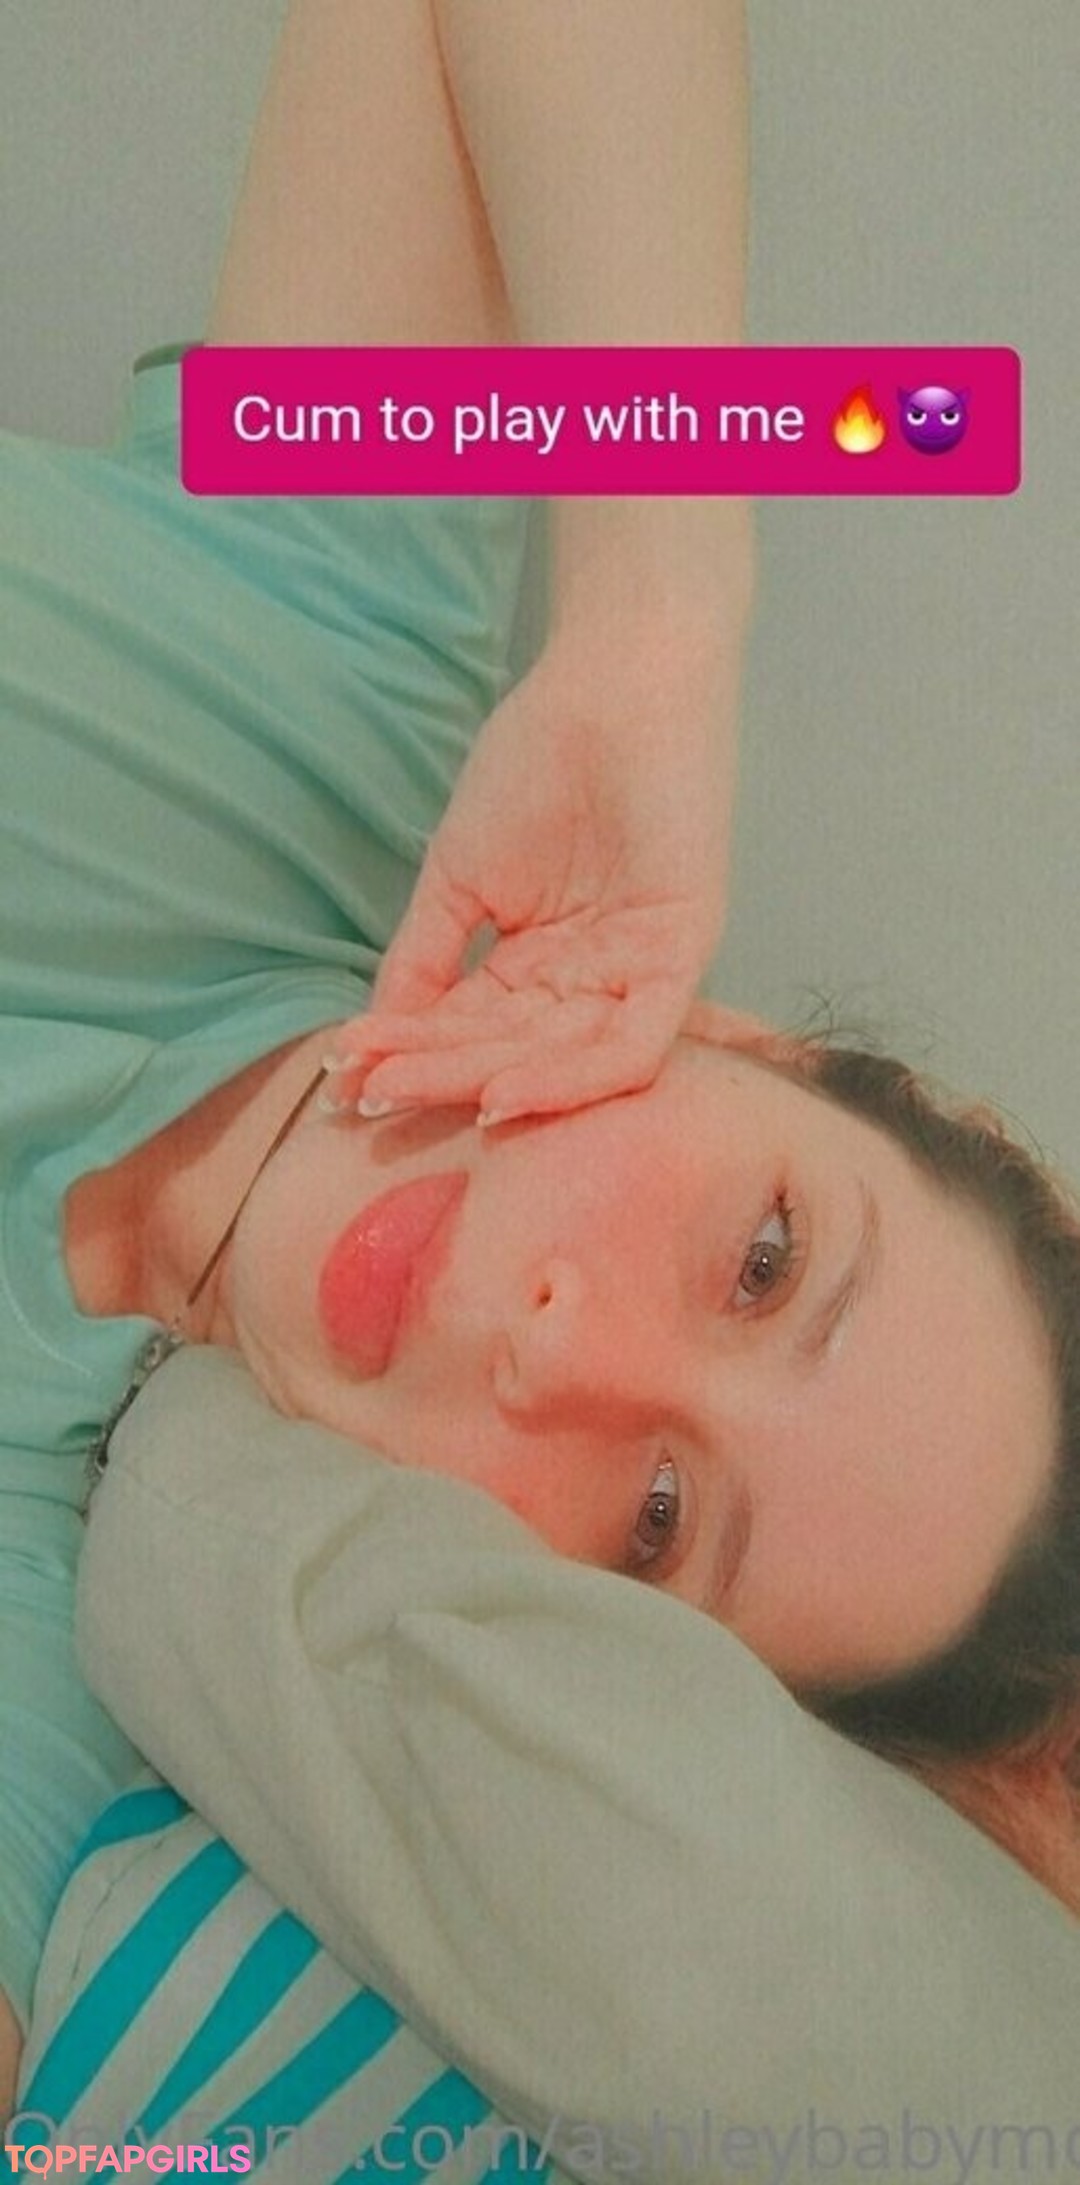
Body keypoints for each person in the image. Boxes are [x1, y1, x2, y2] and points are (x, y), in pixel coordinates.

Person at [4, 0, 1080, 2169]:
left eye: (659, 1522)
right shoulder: (335, 621)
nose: (566, 1345)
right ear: (752, 1046)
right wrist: (661, 610)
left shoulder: (55, 1703)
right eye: (762, 1257)